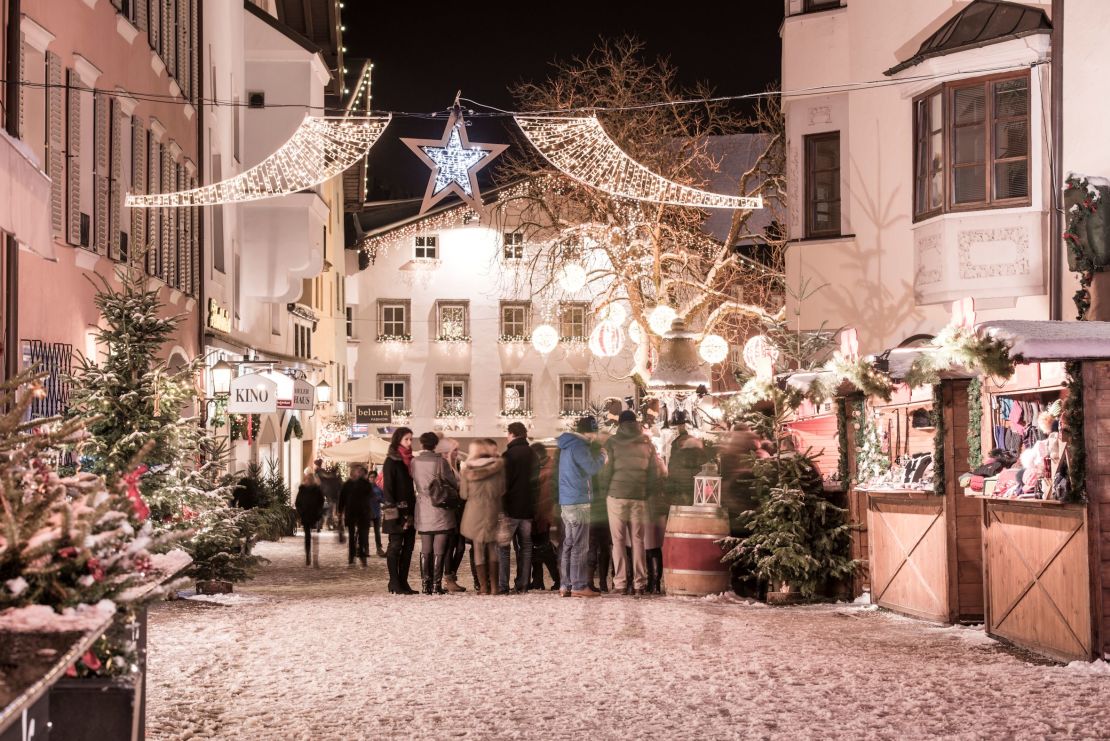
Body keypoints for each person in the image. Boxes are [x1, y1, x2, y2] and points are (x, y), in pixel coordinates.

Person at [602, 410, 663, 596]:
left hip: (616, 496)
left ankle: (620, 583)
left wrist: (605, 490)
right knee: (638, 540)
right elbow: (654, 473)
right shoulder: (647, 443)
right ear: (635, 423)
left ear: (619, 424)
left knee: (618, 541)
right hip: (639, 497)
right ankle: (639, 583)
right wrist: (646, 492)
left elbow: (606, 470)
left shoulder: (611, 442)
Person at [556, 416, 606, 598]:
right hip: (579, 501)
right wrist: (602, 457)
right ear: (590, 432)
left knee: (569, 544)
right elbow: (591, 468)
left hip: (567, 500)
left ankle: (565, 585)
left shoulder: (567, 445)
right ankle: (578, 585)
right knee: (580, 546)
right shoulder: (579, 446)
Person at [411, 431, 461, 595]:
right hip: (440, 507)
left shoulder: (415, 461)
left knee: (425, 547)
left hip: (423, 506)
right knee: (439, 547)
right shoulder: (440, 462)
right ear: (435, 445)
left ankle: (426, 584)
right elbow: (452, 483)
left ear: (422, 444)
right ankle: (436, 584)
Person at [459, 439, 505, 595]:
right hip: (492, 510)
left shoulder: (467, 470)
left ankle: (483, 587)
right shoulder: (499, 467)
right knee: (493, 547)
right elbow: (502, 490)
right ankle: (495, 587)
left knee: (478, 548)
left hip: (474, 512)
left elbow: (463, 494)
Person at [499, 421, 537, 594]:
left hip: (511, 509)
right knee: (526, 547)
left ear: (512, 433)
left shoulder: (508, 455)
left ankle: (503, 585)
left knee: (504, 548)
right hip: (528, 508)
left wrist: (502, 506)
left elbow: (503, 484)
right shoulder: (533, 454)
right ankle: (522, 584)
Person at [382, 427, 418, 595]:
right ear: (398, 441)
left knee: (409, 547)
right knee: (395, 546)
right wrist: (394, 516)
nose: (410, 443)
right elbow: (388, 490)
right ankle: (394, 582)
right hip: (395, 511)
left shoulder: (409, 461)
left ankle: (403, 581)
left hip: (410, 510)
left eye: (411, 439)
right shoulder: (391, 461)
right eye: (406, 439)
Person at [436, 437, 468, 592]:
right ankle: (449, 578)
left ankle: (451, 576)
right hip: (451, 510)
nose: (457, 452)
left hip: (461, 509)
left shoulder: (457, 465)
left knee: (461, 546)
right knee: (451, 545)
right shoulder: (444, 466)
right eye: (454, 449)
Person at [529, 442, 560, 591]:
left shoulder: (548, 470)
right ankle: (537, 580)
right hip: (540, 513)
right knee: (537, 548)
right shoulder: (545, 467)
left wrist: (541, 514)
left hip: (544, 514)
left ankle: (557, 578)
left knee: (544, 548)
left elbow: (547, 495)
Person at [338, 463, 374, 567]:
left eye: (359, 470)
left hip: (363, 513)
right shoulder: (347, 484)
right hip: (351, 513)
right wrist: (340, 512)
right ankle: (351, 557)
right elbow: (342, 499)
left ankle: (362, 556)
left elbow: (370, 494)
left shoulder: (365, 483)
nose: (357, 472)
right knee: (351, 537)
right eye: (355, 470)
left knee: (363, 537)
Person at [294, 468, 325, 567]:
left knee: (315, 537)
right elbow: (298, 503)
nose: (309, 481)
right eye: (308, 479)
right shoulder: (302, 489)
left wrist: (319, 512)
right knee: (308, 536)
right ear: (306, 480)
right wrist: (301, 512)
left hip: (315, 516)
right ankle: (308, 555)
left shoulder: (317, 490)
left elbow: (321, 502)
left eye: (311, 479)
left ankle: (315, 558)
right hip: (306, 515)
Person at [315, 459, 343, 542]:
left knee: (329, 509)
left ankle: (325, 524)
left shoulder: (320, 472)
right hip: (327, 493)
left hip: (327, 493)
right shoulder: (320, 472)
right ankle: (325, 524)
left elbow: (327, 477)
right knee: (329, 509)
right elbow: (327, 477)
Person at [368, 467, 386, 557]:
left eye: (374, 477)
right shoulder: (365, 488)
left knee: (377, 533)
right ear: (368, 478)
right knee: (364, 532)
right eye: (370, 477)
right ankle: (362, 548)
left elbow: (384, 499)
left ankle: (379, 549)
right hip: (367, 513)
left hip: (376, 513)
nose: (372, 478)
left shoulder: (379, 489)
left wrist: (379, 498)